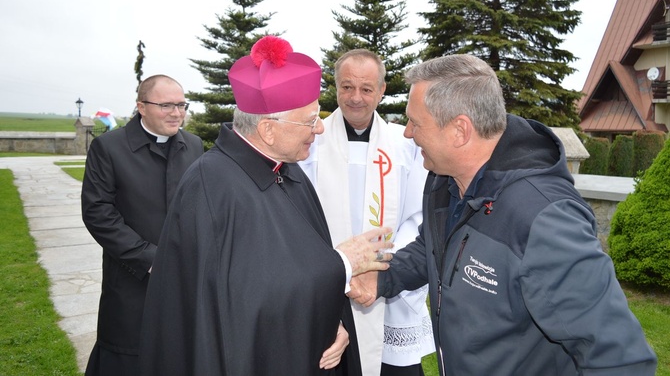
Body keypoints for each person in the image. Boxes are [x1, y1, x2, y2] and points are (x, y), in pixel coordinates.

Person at [349, 54, 658, 375]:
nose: (408, 133)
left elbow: (620, 357)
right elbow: (431, 247)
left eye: (416, 122)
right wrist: (382, 277)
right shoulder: (445, 182)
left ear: (459, 130)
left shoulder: (544, 218)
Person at [138, 36, 395, 376]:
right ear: (268, 130)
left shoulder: (289, 171)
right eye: (309, 120)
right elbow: (246, 300)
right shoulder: (212, 185)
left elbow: (296, 266)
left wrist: (333, 320)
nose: (319, 128)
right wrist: (344, 263)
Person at [300, 49, 434, 376]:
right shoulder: (310, 144)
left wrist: (380, 265)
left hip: (388, 281)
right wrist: (339, 264)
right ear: (334, 88)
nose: (355, 97)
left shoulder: (405, 144)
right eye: (347, 87)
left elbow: (418, 217)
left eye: (366, 88)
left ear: (382, 90)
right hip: (327, 279)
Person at [81, 74, 204, 376]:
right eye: (166, 106)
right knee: (129, 356)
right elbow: (98, 213)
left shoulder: (194, 145)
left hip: (185, 276)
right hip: (131, 278)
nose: (177, 113)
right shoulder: (108, 148)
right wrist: (150, 258)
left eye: (181, 105)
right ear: (141, 107)